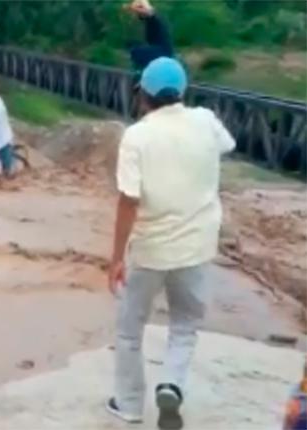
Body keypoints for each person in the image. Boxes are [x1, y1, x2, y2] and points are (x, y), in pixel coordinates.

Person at [106, 57, 236, 430]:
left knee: (131, 329)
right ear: (181, 92)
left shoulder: (137, 136)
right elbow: (229, 144)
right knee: (184, 325)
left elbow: (128, 200)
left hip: (150, 250)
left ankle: (129, 405)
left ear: (142, 93)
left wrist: (116, 258)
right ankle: (172, 385)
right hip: (197, 248)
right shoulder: (205, 121)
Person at [125, 0, 175, 73]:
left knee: (136, 51)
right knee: (132, 44)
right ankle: (143, 69)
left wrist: (133, 7)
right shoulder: (150, 21)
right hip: (160, 49)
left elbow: (149, 11)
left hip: (163, 51)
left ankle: (142, 70)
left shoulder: (154, 18)